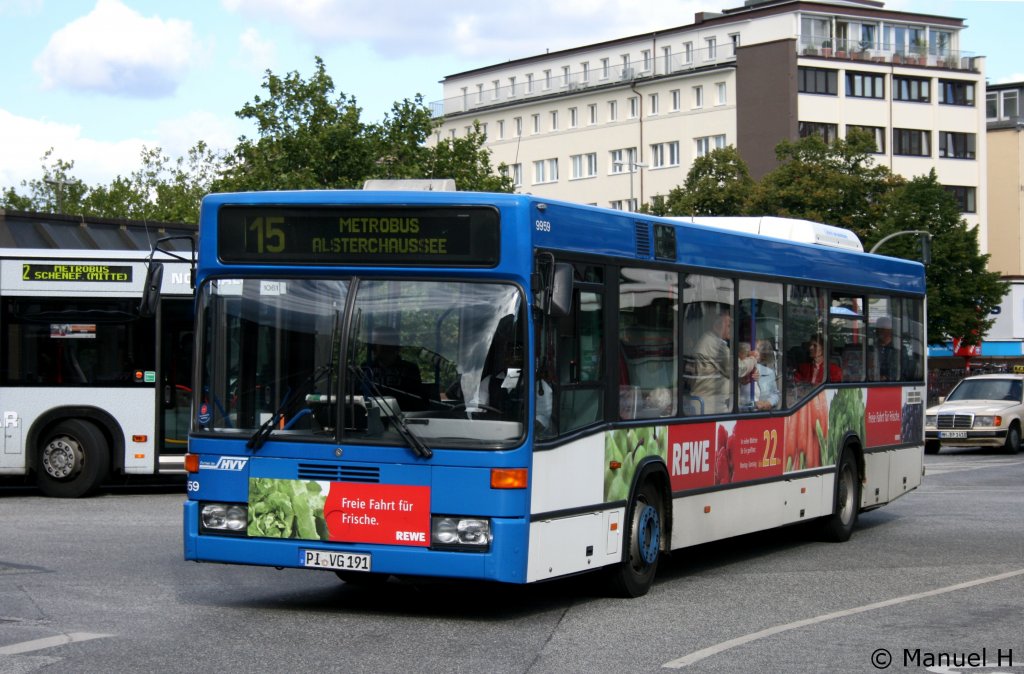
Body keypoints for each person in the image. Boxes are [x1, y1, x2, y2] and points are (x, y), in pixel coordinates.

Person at [689, 312, 756, 414]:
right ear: (716, 326)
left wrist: (746, 377)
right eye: (728, 325)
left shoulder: (709, 341)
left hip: (712, 406)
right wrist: (753, 359)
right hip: (711, 408)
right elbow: (738, 368)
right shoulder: (715, 344)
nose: (731, 329)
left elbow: (723, 374)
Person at [364, 329, 424, 411]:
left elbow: (416, 401)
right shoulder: (365, 368)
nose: (372, 348)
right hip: (370, 415)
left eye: (376, 343)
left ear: (390, 345)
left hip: (403, 416)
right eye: (372, 344)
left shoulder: (409, 370)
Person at [739, 340, 781, 411]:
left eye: (758, 350)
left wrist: (769, 403)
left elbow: (775, 394)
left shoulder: (768, 372)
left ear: (762, 355)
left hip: (762, 413)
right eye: (751, 349)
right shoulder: (739, 370)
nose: (754, 352)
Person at [873, 316, 897, 381]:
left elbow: (899, 371)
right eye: (878, 330)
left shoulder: (898, 351)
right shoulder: (872, 348)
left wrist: (886, 377)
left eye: (883, 331)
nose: (880, 333)